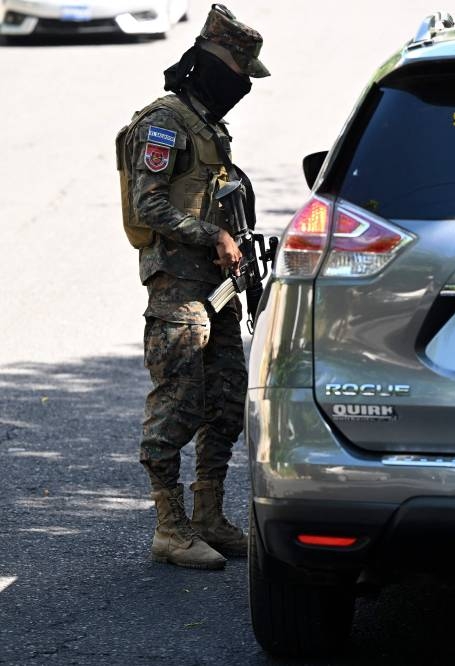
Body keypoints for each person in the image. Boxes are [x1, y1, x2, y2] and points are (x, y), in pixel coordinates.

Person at [115, 4, 269, 570]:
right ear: (213, 62)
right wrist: (213, 234)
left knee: (227, 399)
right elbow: (147, 203)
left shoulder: (206, 124)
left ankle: (208, 516)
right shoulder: (164, 122)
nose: (243, 86)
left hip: (217, 288)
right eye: (240, 72)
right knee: (177, 402)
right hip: (178, 289)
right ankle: (169, 527)